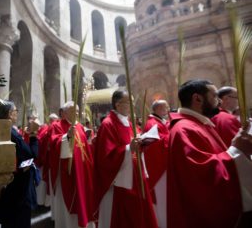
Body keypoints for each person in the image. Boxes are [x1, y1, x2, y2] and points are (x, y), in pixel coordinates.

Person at [168, 79, 252, 228]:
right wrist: (235, 151)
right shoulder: (184, 129)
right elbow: (199, 174)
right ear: (197, 99)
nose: (219, 101)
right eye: (214, 96)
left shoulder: (198, 123)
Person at [93, 90, 158, 228]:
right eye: (129, 102)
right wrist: (129, 148)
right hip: (118, 181)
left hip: (135, 174)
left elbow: (133, 144)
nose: (132, 105)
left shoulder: (129, 123)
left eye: (132, 102)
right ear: (117, 104)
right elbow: (106, 157)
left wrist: (142, 142)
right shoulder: (108, 124)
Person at [0, 100, 40, 228]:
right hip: (18, 189)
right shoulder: (11, 132)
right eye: (15, 112)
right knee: (18, 221)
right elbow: (31, 155)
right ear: (9, 114)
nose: (17, 114)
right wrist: (34, 135)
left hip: (6, 186)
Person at [49, 101, 95, 228]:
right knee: (70, 205)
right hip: (68, 172)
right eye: (72, 111)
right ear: (64, 113)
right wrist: (67, 136)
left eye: (77, 111)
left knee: (84, 200)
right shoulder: (57, 126)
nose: (76, 113)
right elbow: (54, 144)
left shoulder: (79, 126)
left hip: (82, 171)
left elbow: (86, 148)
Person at [143, 99, 170, 228]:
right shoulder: (152, 124)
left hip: (165, 168)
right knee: (161, 201)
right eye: (166, 107)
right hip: (159, 169)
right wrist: (172, 137)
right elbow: (154, 146)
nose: (168, 109)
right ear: (158, 109)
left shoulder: (160, 122)